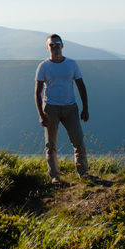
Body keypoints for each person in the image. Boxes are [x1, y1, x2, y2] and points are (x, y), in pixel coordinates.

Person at [34, 34, 89, 184]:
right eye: (51, 45)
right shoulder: (43, 66)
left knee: (78, 141)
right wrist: (41, 114)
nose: (55, 47)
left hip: (70, 108)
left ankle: (83, 173)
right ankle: (55, 177)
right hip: (50, 108)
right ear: (47, 47)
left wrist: (85, 108)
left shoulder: (72, 64)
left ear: (62, 45)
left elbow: (81, 86)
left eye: (57, 44)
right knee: (50, 144)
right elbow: (37, 92)